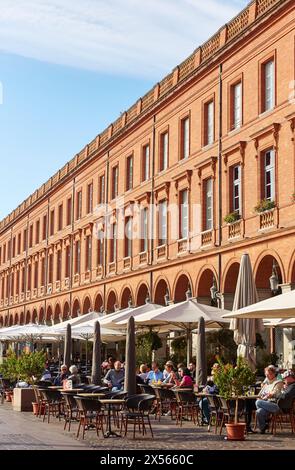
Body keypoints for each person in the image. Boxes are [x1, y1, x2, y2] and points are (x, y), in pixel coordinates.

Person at [255, 364, 284, 433]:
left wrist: (265, 397)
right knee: (259, 412)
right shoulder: (266, 384)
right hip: (265, 404)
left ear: (273, 374)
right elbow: (259, 395)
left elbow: (274, 393)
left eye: (269, 374)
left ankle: (267, 419)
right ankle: (263, 427)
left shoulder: (278, 382)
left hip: (275, 405)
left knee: (258, 402)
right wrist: (261, 397)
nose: (267, 376)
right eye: (266, 375)